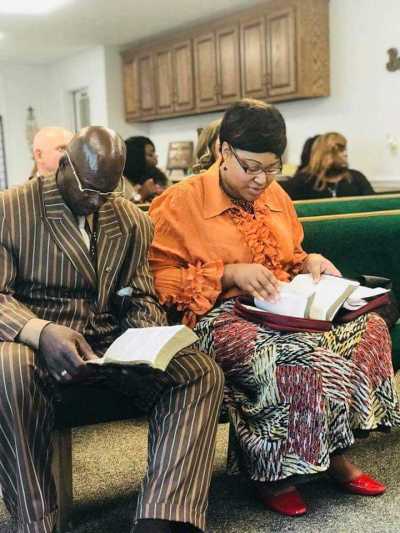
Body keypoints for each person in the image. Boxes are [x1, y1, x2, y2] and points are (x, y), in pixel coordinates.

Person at [149, 99, 400, 518]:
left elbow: (291, 254)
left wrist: (309, 262)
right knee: (292, 354)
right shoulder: (180, 202)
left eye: (272, 167)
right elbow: (157, 280)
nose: (262, 179)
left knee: (367, 331)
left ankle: (332, 452)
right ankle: (270, 473)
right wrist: (228, 273)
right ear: (223, 151)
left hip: (281, 307)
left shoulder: (276, 195)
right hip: (216, 317)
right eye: (251, 167)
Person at [0, 126, 224, 533]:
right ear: (64, 164)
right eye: (89, 190)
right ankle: (35, 521)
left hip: (109, 348)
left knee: (200, 372)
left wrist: (143, 344)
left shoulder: (130, 219)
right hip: (39, 351)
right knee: (6, 363)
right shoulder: (10, 209)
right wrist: (40, 331)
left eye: (108, 191)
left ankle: (162, 517)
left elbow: (138, 295)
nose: (97, 202)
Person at [285, 132, 375, 200]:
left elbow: (373, 208)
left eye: (344, 150)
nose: (345, 154)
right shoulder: (302, 182)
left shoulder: (357, 178)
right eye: (338, 150)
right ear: (322, 155)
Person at [124, 136, 168, 203]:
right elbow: (124, 209)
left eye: (154, 153)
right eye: (150, 154)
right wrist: (142, 194)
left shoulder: (160, 175)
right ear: (137, 159)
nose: (156, 156)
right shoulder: (123, 183)